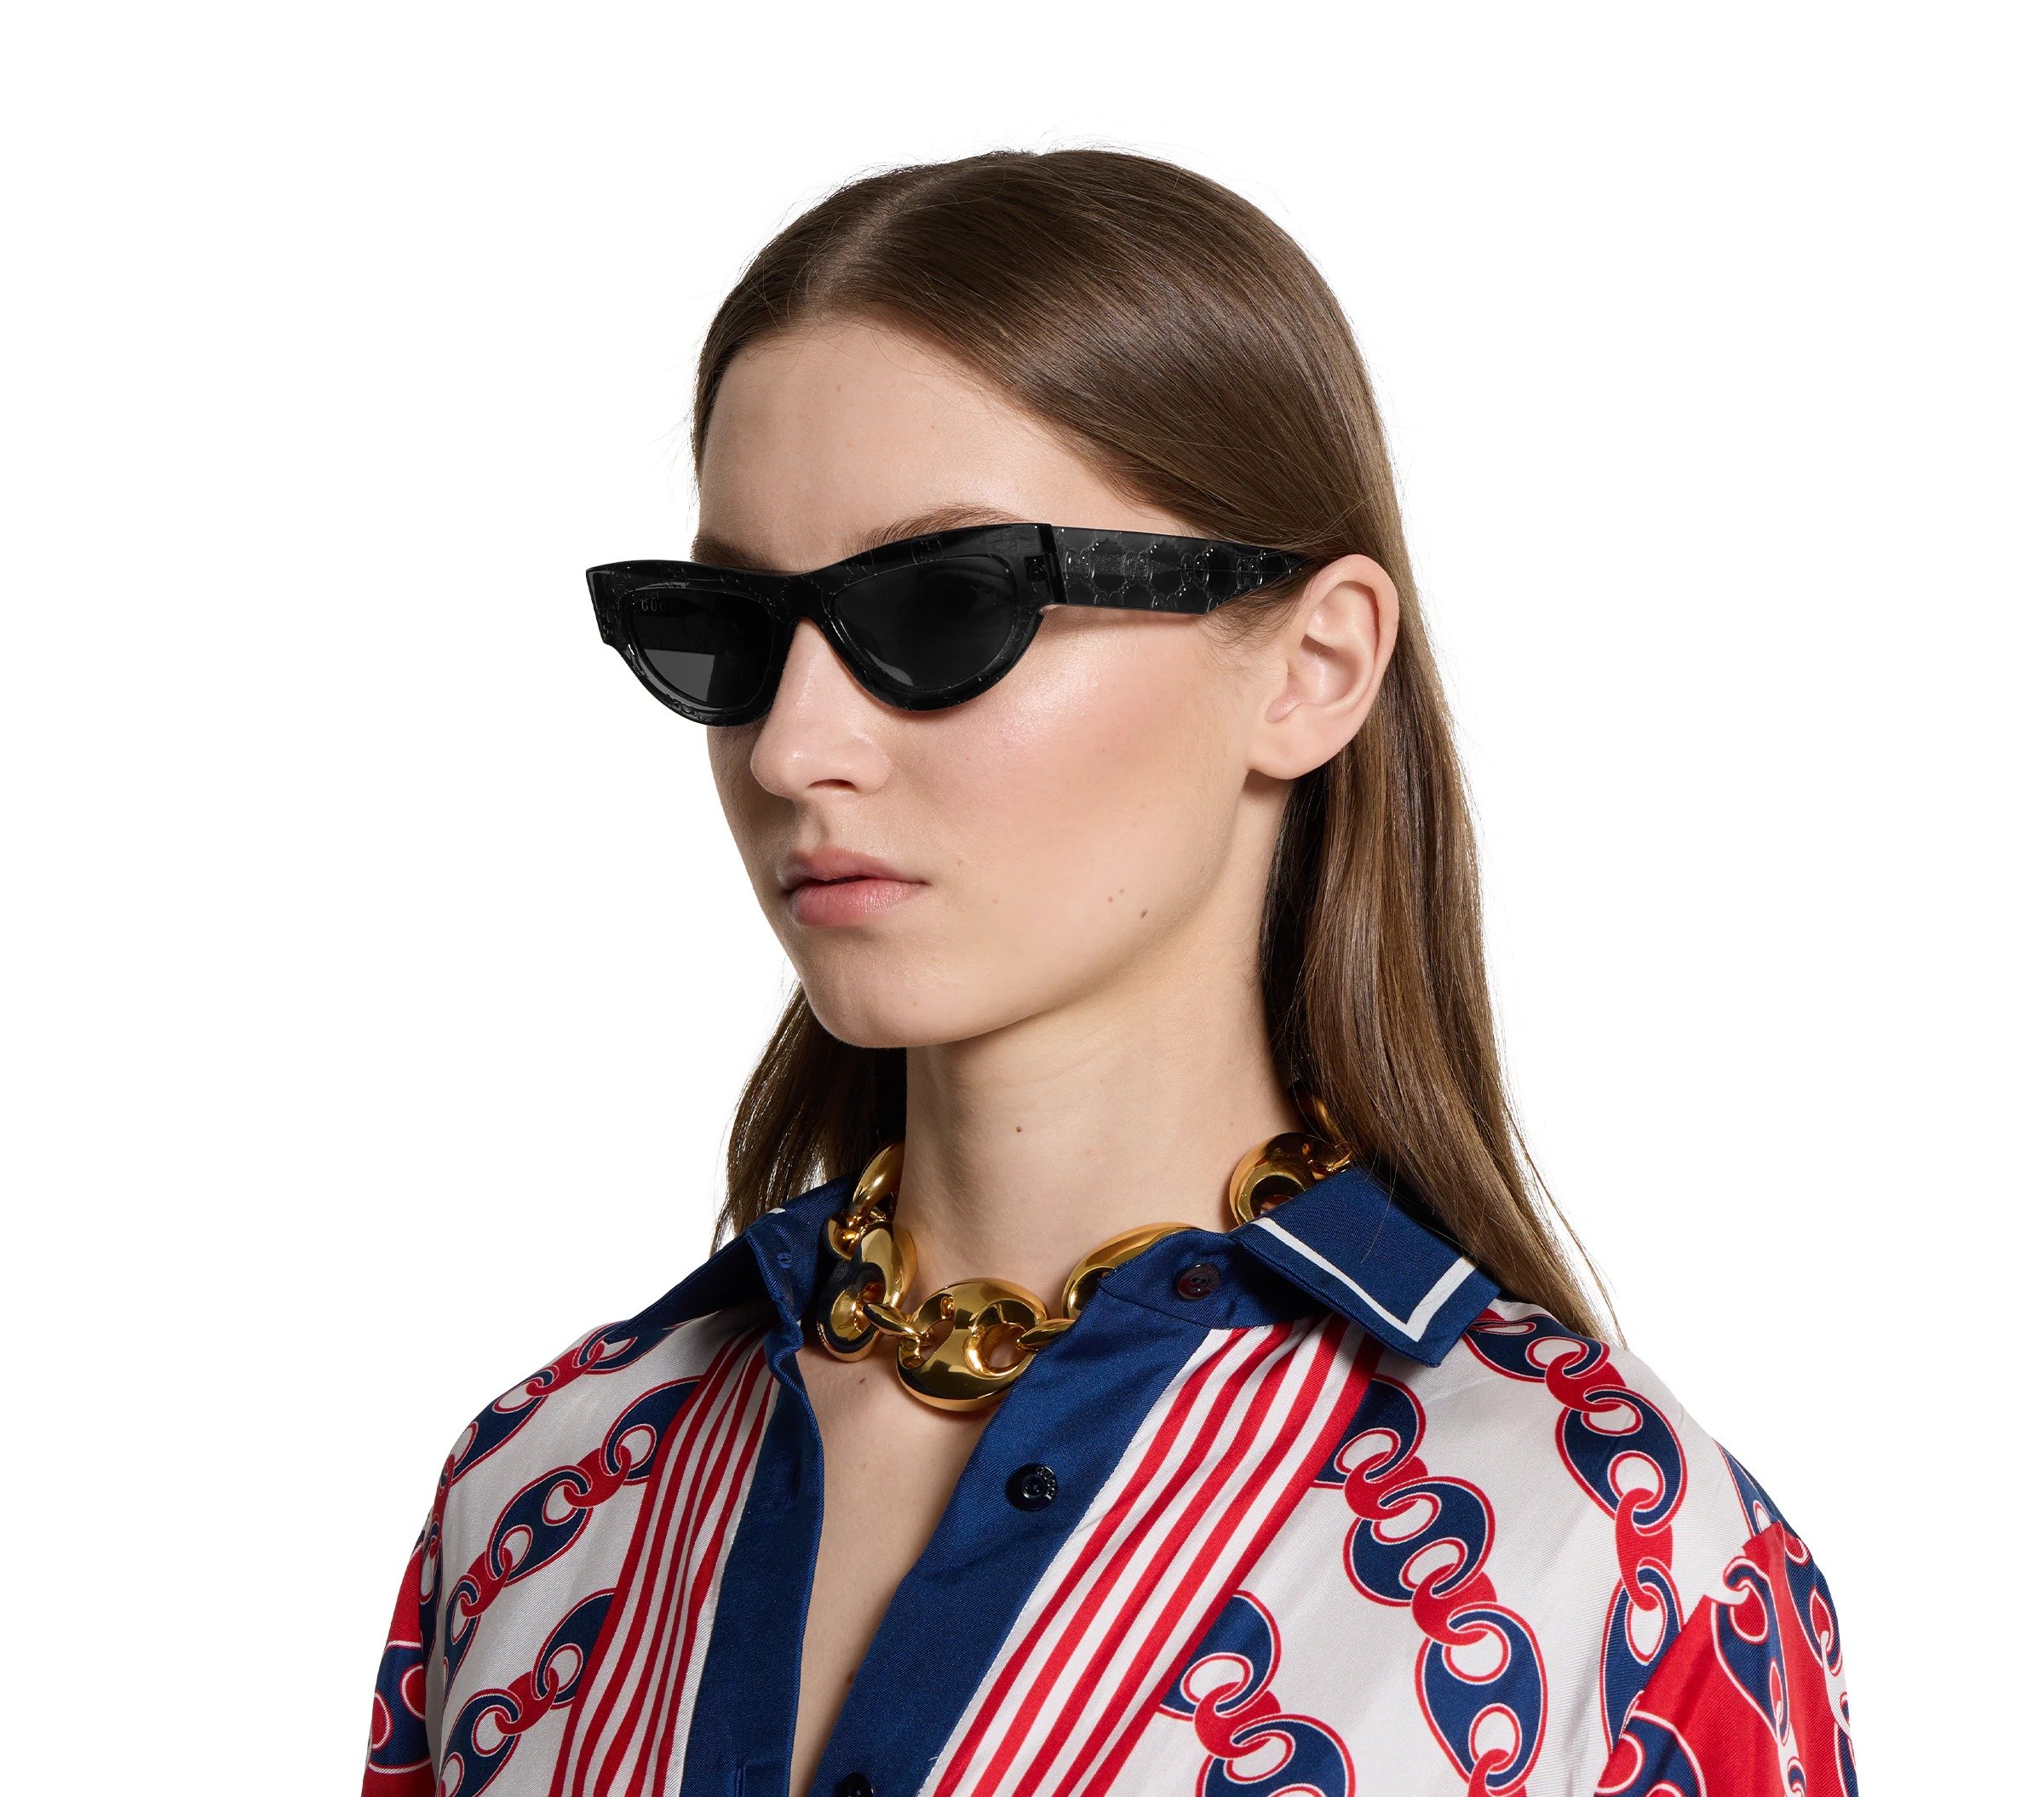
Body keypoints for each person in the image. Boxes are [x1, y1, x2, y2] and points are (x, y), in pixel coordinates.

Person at [360, 150, 1854, 1797]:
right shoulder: (544, 1493)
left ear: (1313, 666)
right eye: (729, 628)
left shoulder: (1604, 1560)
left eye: (946, 608)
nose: (791, 747)